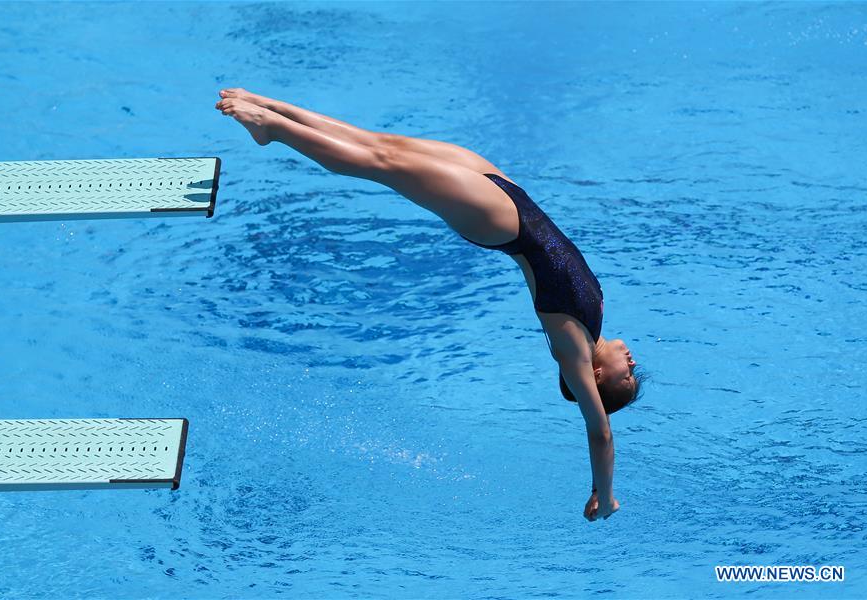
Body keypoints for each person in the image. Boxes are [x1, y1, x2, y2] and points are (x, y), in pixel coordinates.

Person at [215, 88, 645, 521]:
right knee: (381, 144)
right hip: (511, 198)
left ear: (595, 377)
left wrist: (604, 494)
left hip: (500, 222)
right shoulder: (594, 322)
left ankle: (273, 129)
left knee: (381, 164)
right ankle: (273, 109)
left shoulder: (571, 348)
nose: (631, 363)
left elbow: (600, 433)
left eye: (625, 376)